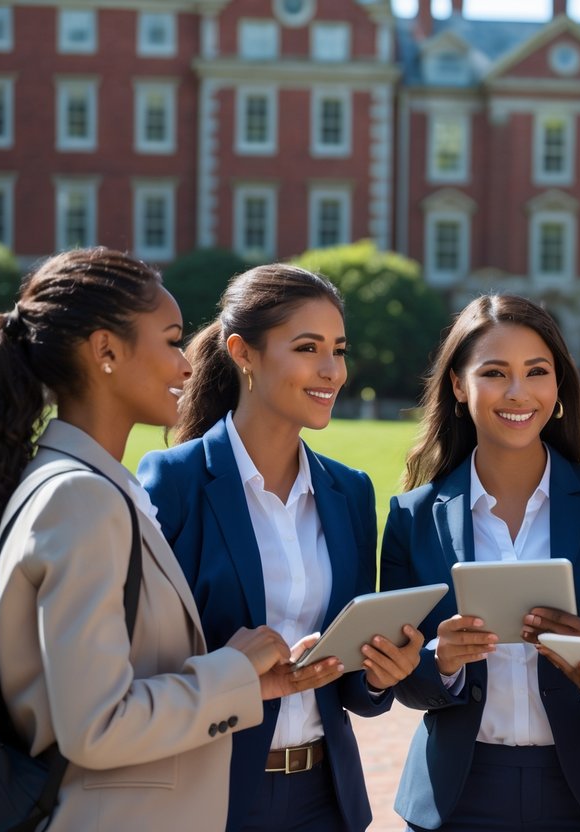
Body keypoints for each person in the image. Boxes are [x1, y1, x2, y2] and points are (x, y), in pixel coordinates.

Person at [0, 247, 303, 831]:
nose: (187, 366)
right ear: (106, 351)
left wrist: (247, 686)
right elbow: (96, 725)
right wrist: (231, 671)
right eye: (169, 340)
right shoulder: (79, 499)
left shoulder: (83, 485)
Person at [138, 264, 423, 832]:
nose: (332, 371)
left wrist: (378, 674)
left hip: (326, 799)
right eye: (308, 348)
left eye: (338, 350)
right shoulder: (174, 482)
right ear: (243, 352)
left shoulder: (348, 492)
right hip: (208, 797)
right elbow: (140, 666)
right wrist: (234, 671)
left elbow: (351, 691)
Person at [378, 294, 580, 832]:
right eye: (494, 372)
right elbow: (401, 679)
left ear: (558, 389)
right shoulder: (412, 518)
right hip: (457, 797)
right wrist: (442, 661)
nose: (518, 392)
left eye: (537, 372)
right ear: (459, 386)